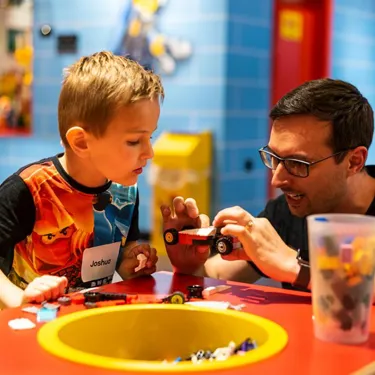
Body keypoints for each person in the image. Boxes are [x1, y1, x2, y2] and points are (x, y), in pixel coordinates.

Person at [0, 51, 190, 308]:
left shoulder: (126, 191)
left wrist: (130, 264)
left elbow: (117, 259)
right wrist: (17, 297)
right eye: (134, 141)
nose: (150, 153)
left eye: (150, 138)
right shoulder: (28, 190)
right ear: (81, 142)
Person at [163, 78, 375, 291]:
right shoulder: (287, 211)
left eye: (297, 163)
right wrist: (189, 266)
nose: (277, 180)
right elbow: (216, 275)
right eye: (274, 158)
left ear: (354, 161)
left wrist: (295, 266)